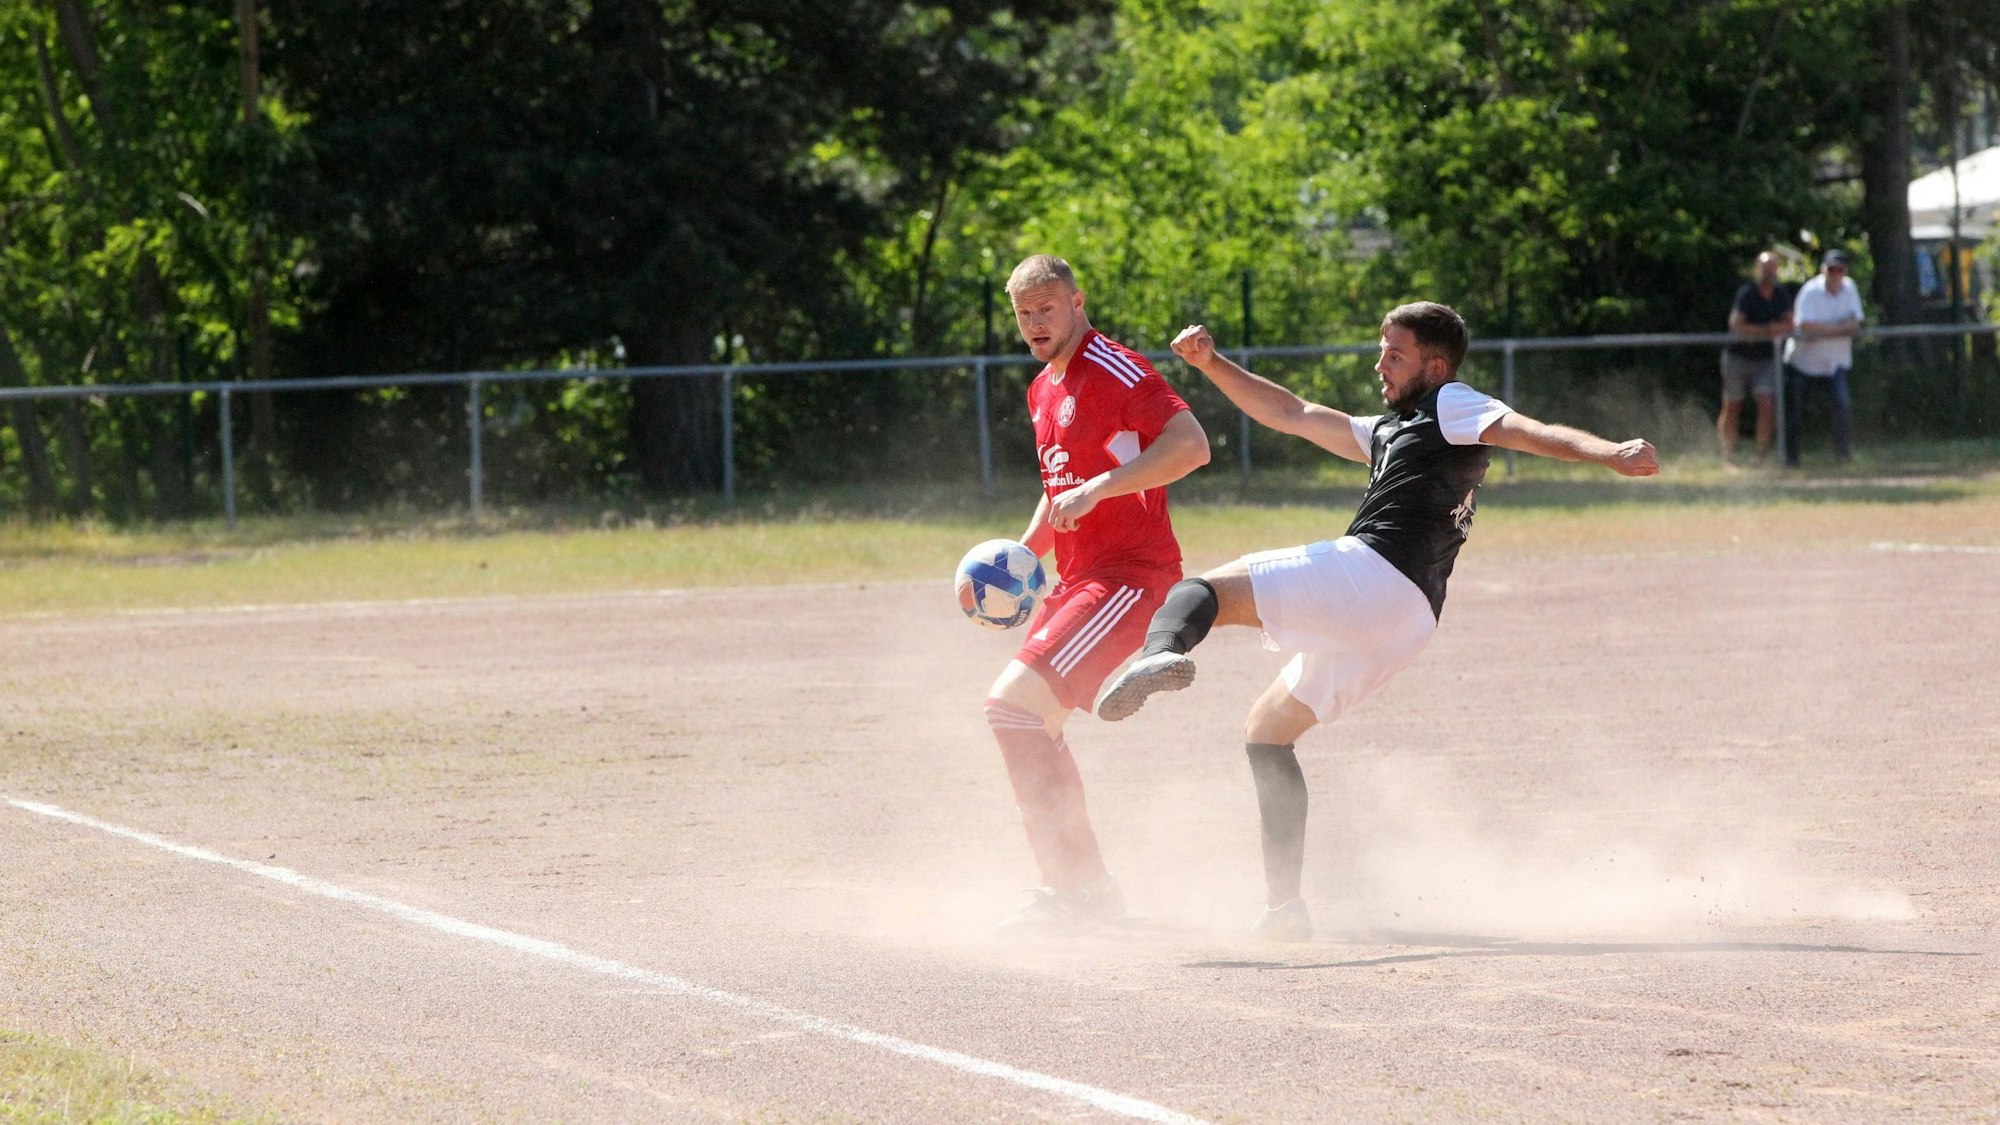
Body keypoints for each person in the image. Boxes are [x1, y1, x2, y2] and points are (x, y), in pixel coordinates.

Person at [1093, 302, 1657, 942]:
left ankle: (1160, 651)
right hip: (1407, 617)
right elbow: (1293, 414)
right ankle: (1284, 910)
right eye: (1381, 350)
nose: (1380, 365)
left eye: (1395, 354)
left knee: (1203, 589)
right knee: (1268, 731)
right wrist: (1213, 364)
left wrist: (1609, 451)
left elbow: (1528, 429)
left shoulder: (1452, 403)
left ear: (1436, 366)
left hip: (1376, 573)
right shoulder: (1397, 428)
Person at [982, 254, 1211, 935]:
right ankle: (1083, 888)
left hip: (1130, 577)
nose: (1034, 325)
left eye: (1046, 310)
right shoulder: (1042, 390)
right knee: (1030, 722)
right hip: (1081, 576)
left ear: (1077, 302)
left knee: (1012, 709)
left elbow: (1192, 445)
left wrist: (1100, 488)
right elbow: (1060, 491)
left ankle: (1078, 889)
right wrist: (1025, 555)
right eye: (1024, 314)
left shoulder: (1112, 368)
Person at [1783, 250, 1865, 467]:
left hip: (1834, 364)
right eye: (1831, 269)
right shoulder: (1810, 291)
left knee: (1842, 406)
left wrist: (1824, 329)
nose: (1835, 274)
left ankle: (1843, 457)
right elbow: (1806, 326)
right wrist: (1840, 327)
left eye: (1839, 270)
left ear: (1844, 271)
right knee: (1795, 412)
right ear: (1823, 270)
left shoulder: (1850, 288)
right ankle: (1791, 459)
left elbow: (1856, 325)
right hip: (1803, 363)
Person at [1718, 251, 1792, 467]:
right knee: (1732, 404)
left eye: (1772, 268)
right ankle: (1728, 456)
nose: (1769, 273)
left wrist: (1757, 332)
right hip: (1737, 357)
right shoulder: (1746, 293)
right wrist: (1769, 330)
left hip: (1766, 359)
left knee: (1766, 404)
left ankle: (1760, 456)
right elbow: (1737, 327)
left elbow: (1790, 324)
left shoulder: (1781, 294)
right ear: (1757, 270)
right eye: (1765, 268)